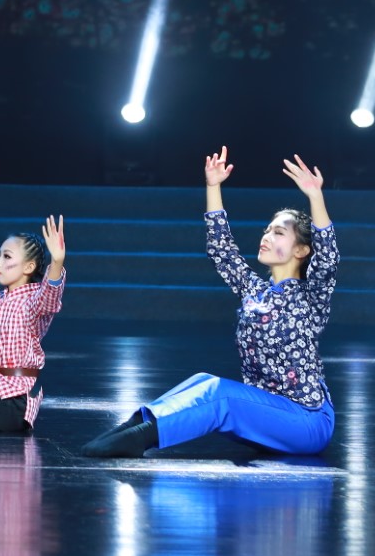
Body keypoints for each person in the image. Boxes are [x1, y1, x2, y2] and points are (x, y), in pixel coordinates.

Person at [81, 147, 339, 458]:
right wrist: (213, 186)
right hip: (270, 411)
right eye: (267, 230)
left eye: (279, 232)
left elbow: (328, 258)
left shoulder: (310, 297)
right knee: (202, 381)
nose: (267, 236)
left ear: (301, 250)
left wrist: (315, 196)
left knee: (220, 394)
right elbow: (221, 250)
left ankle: (140, 439)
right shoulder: (254, 291)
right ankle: (133, 426)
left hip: (308, 420)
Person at [0, 217, 68, 433]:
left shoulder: (33, 302)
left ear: (29, 267)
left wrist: (57, 261)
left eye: (7, 256)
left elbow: (50, 294)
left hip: (14, 400)